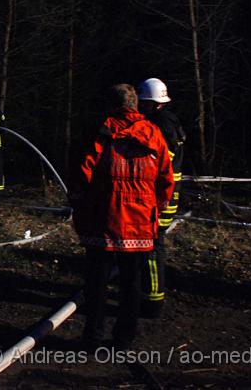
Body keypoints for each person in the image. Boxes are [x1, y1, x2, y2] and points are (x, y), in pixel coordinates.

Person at [71, 84, 174, 349]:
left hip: (103, 217)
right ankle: (124, 338)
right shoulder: (154, 133)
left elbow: (84, 172)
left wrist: (80, 205)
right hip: (140, 220)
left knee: (97, 282)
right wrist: (155, 208)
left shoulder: (102, 132)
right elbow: (166, 178)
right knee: (131, 284)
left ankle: (92, 337)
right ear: (136, 104)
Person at [137, 77, 186, 318]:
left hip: (161, 197)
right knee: (151, 245)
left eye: (144, 103)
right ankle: (148, 294)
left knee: (153, 248)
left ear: (153, 104)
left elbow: (159, 162)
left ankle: (153, 300)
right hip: (165, 194)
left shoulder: (161, 125)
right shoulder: (169, 121)